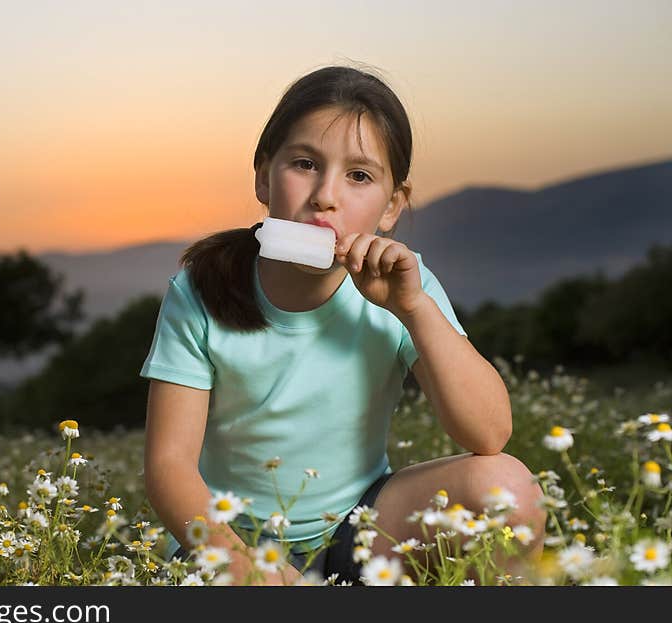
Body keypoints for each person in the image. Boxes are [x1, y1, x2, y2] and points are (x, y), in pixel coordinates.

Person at [140, 63, 546, 586]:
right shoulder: (198, 293)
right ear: (264, 175)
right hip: (229, 545)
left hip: (361, 528)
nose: (325, 195)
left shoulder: (408, 288)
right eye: (305, 164)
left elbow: (490, 433)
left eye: (359, 176)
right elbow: (168, 468)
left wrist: (414, 310)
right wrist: (251, 572)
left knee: (507, 487)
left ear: (392, 205)